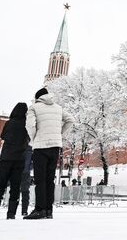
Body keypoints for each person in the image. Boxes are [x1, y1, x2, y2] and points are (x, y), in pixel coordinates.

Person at [24, 87, 74, 220]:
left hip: (40, 146)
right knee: (49, 179)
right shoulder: (58, 108)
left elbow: (30, 125)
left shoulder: (34, 107)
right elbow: (70, 120)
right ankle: (49, 210)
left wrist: (34, 138)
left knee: (40, 179)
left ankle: (39, 209)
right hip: (55, 147)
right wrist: (59, 134)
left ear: (37, 98)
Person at [0, 102, 30, 220]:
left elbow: (2, 136)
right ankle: (11, 213)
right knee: (15, 186)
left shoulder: (8, 123)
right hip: (19, 158)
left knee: (1, 185)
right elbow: (29, 138)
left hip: (6, 158)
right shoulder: (26, 124)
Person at [20, 144, 33, 216]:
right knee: (15, 191)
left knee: (25, 192)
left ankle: (24, 210)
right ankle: (12, 212)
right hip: (18, 171)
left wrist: (29, 167)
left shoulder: (30, 149)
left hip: (25, 173)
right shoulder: (19, 146)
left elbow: (33, 161)